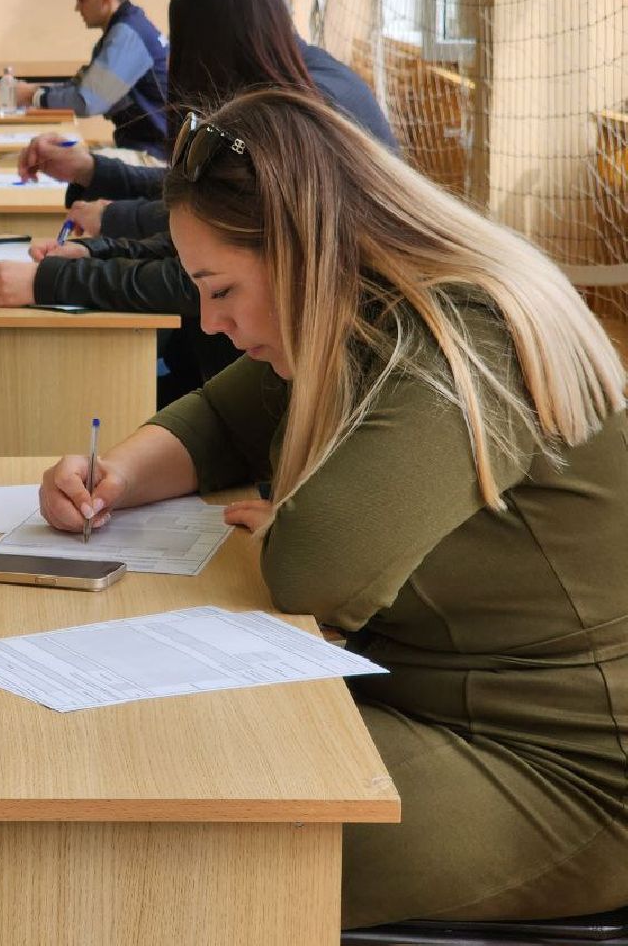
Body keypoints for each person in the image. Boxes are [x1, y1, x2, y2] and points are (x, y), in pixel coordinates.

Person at [40, 87, 628, 930]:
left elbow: (314, 566)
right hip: (429, 700)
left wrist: (293, 516)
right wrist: (116, 475)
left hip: (561, 771)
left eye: (221, 287)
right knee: (143, 757)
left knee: (163, 825)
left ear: (300, 249)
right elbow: (220, 419)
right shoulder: (357, 309)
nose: (208, 319)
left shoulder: (459, 331)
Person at [0, 0, 397, 401]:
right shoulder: (284, 90)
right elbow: (207, 231)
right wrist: (97, 247)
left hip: (331, 374)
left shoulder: (293, 118)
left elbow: (201, 278)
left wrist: (54, 280)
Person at [8, 0, 169, 156]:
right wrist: (35, 90)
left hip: (154, 155)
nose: (77, 8)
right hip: (144, 145)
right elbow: (83, 86)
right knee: (61, 156)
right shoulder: (126, 27)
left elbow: (87, 102)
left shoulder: (127, 35)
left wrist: (34, 97)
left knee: (64, 163)